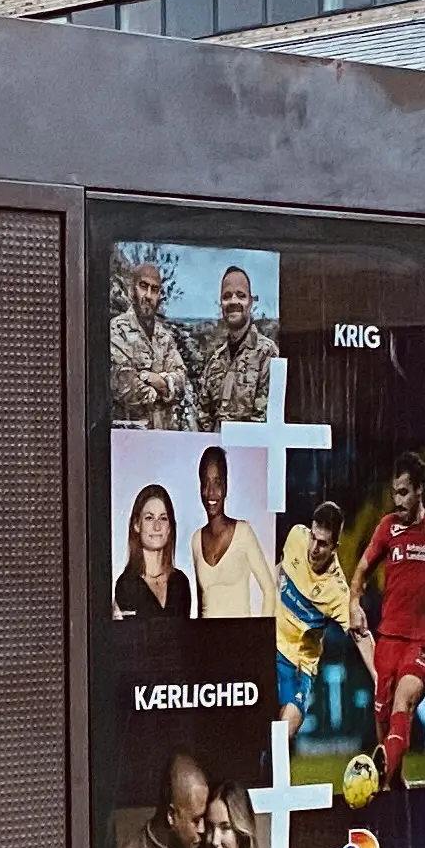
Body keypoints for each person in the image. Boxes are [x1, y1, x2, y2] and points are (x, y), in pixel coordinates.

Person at [354, 455, 425, 771]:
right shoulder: (387, 527)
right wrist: (354, 603)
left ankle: (378, 778)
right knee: (383, 717)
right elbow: (362, 569)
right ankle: (392, 781)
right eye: (394, 493)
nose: (397, 500)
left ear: (420, 490)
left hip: (420, 641)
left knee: (402, 704)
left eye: (404, 492)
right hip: (388, 637)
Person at [274, 498, 359, 769]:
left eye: (323, 543)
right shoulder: (295, 536)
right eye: (313, 537)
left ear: (335, 547)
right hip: (264, 647)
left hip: (297, 666)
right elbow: (278, 572)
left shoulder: (337, 591)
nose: (314, 547)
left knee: (282, 734)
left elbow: (361, 636)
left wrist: (381, 678)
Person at [189, 261, 284, 429]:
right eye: (227, 296)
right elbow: (203, 417)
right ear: (221, 304)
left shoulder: (267, 354)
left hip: (251, 451)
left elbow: (265, 419)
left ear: (250, 303)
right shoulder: (215, 362)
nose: (233, 301)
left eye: (241, 295)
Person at [189, 446, 274, 633]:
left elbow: (270, 590)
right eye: (205, 483)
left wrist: (258, 639)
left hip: (239, 643)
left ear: (226, 486)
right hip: (208, 644)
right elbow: (200, 603)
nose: (211, 492)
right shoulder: (196, 539)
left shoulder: (243, 532)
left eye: (217, 483)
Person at [108, 250, 196, 428]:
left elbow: (181, 380)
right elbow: (126, 389)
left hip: (163, 435)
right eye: (143, 286)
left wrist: (152, 378)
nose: (148, 295)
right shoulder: (117, 330)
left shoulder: (164, 336)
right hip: (130, 435)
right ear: (133, 288)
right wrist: (165, 388)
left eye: (154, 289)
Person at [113, 480, 194, 617]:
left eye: (163, 518)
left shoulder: (180, 582)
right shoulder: (126, 585)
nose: (157, 527)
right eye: (149, 518)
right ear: (136, 525)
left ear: (169, 528)